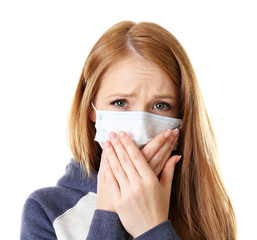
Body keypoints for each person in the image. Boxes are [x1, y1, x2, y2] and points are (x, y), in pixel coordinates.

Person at [21, 21, 237, 240]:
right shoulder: (48, 212)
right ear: (91, 108)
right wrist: (108, 216)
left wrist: (152, 227)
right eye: (120, 103)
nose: (141, 128)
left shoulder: (207, 212)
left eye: (160, 105)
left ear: (182, 116)